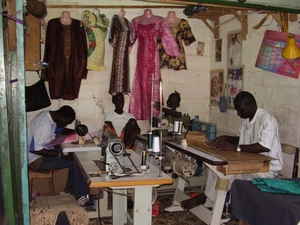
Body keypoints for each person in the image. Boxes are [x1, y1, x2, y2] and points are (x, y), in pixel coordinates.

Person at [181, 91, 283, 210]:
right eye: (237, 110)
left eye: (241, 110)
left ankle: (203, 197)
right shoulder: (246, 120)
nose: (239, 113)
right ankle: (209, 204)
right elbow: (243, 140)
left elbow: (264, 146)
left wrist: (236, 148)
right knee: (214, 170)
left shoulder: (266, 119)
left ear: (251, 105)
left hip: (267, 169)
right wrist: (227, 138)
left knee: (230, 172)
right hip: (251, 163)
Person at [27, 105, 91, 206]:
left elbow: (59, 130)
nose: (65, 125)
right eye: (66, 123)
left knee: (73, 154)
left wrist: (75, 132)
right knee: (76, 162)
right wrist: (60, 155)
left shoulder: (50, 117)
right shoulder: (44, 125)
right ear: (61, 117)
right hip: (36, 160)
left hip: (44, 151)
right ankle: (79, 195)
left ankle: (71, 186)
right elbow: (35, 149)